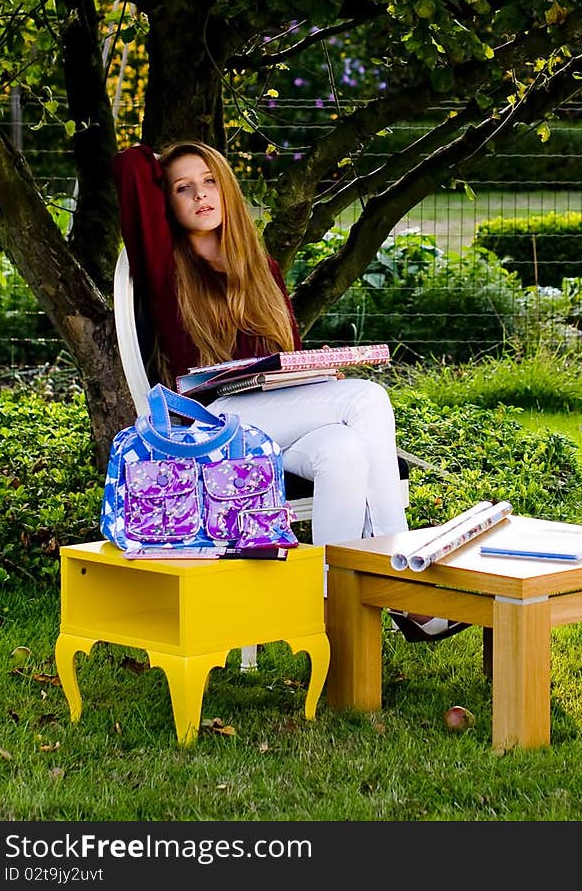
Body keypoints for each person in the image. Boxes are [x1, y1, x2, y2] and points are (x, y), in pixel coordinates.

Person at [112, 140, 465, 641]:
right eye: (183, 188)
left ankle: (332, 618)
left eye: (210, 181)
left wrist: (317, 379)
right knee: (369, 399)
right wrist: (159, 163)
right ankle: (404, 573)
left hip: (272, 423)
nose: (200, 195)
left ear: (227, 190)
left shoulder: (262, 270)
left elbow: (289, 356)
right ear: (165, 202)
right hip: (214, 427)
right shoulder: (165, 264)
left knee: (343, 451)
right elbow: (128, 165)